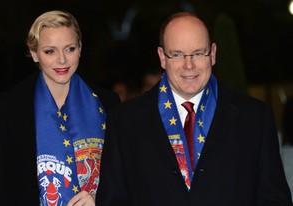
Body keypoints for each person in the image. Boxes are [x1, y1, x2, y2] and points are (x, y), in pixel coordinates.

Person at [96, 12, 292, 205]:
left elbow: (274, 199)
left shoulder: (255, 118)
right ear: (162, 57)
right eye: (177, 54)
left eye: (198, 53)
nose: (188, 65)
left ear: (213, 54)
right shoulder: (124, 121)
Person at [0, 10, 120, 206]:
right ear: (34, 53)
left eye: (69, 49)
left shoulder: (108, 103)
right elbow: (1, 186)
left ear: (80, 48)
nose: (62, 60)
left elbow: (122, 176)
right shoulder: (7, 108)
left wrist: (100, 198)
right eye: (50, 51)